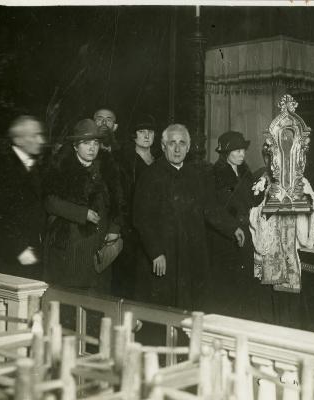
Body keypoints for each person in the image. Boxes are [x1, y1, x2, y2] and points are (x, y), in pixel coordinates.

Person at [133, 124, 245, 311]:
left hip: (191, 255)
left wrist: (232, 227)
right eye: (172, 143)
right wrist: (155, 252)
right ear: (163, 146)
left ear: (188, 146)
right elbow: (141, 219)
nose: (177, 149)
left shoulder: (196, 175)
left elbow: (210, 208)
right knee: (164, 313)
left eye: (182, 143)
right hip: (163, 257)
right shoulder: (150, 175)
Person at [43, 119, 123, 292]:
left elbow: (118, 202)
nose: (92, 148)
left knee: (97, 305)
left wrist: (114, 228)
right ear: (75, 146)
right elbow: (50, 202)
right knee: (71, 301)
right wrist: (82, 213)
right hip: (72, 248)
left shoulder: (107, 169)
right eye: (86, 143)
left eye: (95, 143)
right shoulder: (62, 168)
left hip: (100, 251)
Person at [206, 131, 270, 321]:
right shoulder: (215, 173)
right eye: (237, 151)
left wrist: (264, 185)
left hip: (246, 234)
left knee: (244, 286)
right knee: (227, 288)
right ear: (226, 153)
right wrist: (232, 227)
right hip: (225, 238)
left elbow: (251, 199)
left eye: (243, 150)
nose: (242, 154)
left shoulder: (244, 171)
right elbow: (211, 209)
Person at [0, 116, 47, 279]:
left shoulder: (34, 165)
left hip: (28, 251)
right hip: (7, 255)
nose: (41, 140)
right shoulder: (1, 164)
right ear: (19, 140)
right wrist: (20, 249)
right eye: (35, 135)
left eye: (40, 134)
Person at [114, 114, 157, 299]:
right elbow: (120, 197)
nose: (147, 136)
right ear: (134, 135)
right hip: (131, 227)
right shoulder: (125, 161)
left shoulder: (159, 160)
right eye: (141, 132)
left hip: (154, 226)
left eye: (150, 132)